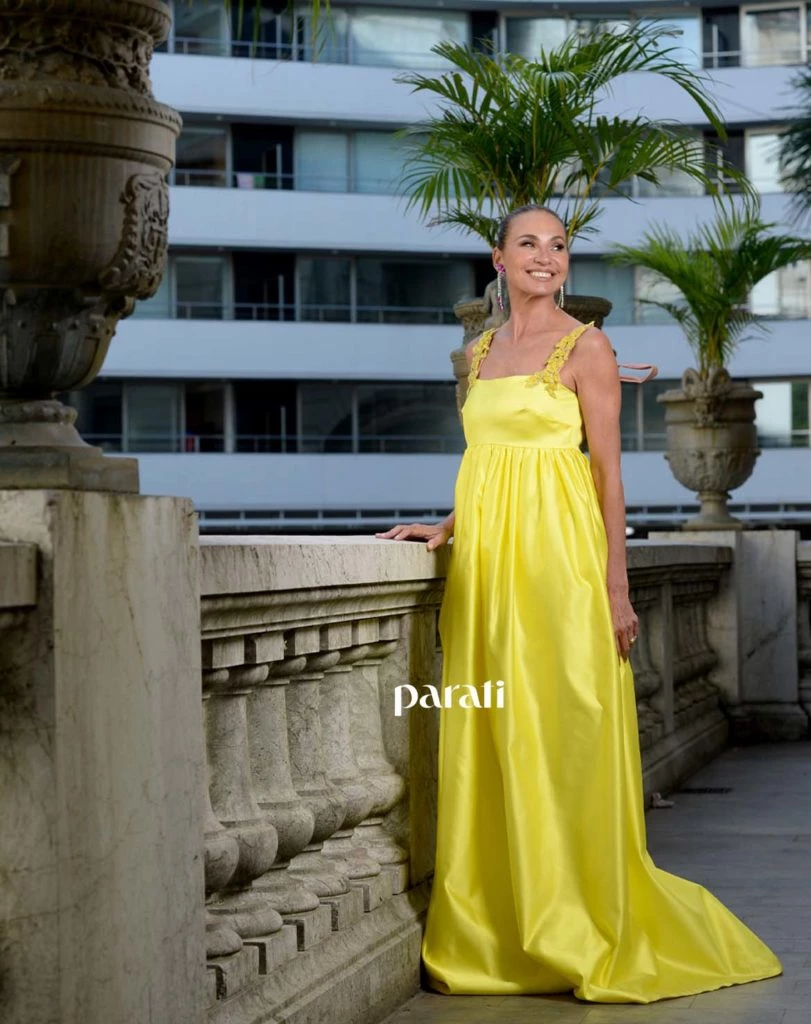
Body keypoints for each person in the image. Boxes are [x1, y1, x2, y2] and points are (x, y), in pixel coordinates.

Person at [374, 204, 783, 1003]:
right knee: (491, 731)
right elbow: (493, 458)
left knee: (564, 734)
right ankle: (496, 926)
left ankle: (575, 920)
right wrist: (449, 524)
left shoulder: (587, 347)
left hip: (560, 568)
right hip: (487, 573)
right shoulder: (480, 351)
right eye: (527, 243)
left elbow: (604, 474)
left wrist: (616, 589)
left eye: (557, 245)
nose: (545, 256)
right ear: (498, 260)